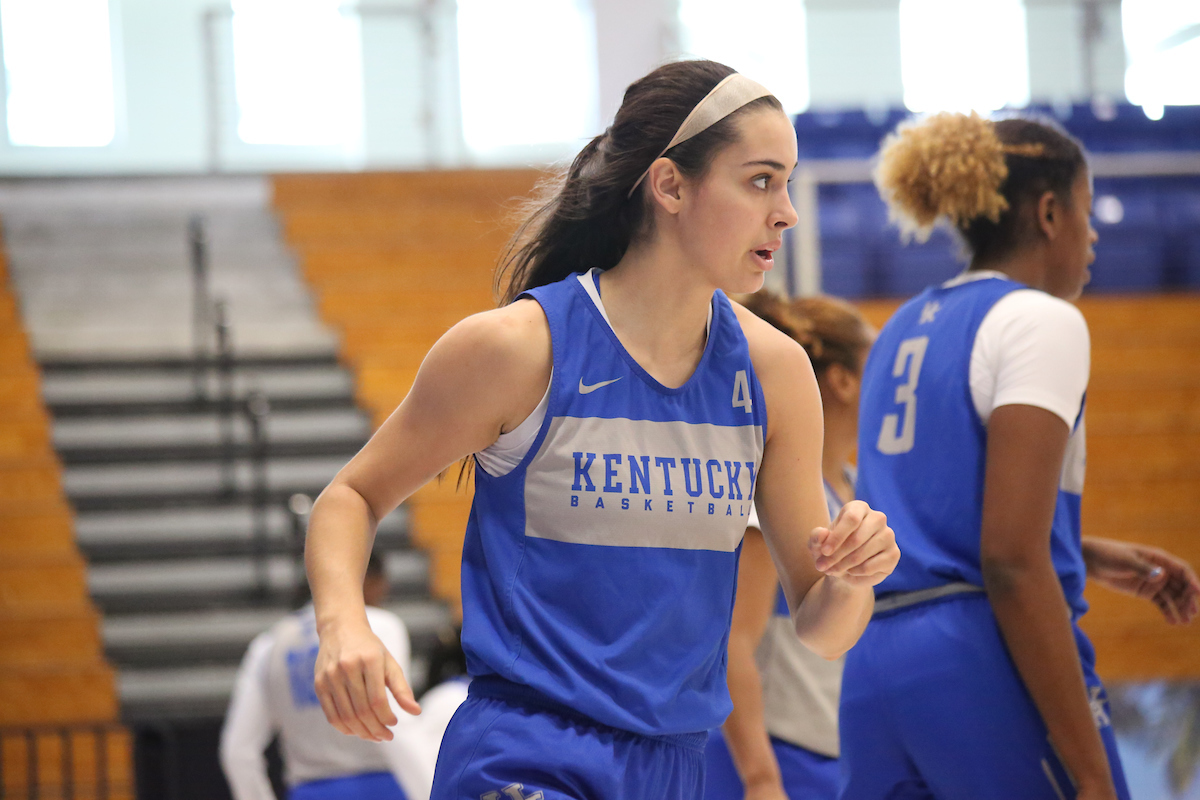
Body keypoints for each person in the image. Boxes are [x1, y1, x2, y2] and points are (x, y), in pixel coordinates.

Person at [303, 59, 900, 800]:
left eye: (787, 183)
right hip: (526, 755)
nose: (787, 211)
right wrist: (343, 625)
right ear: (670, 185)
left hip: (677, 767)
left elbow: (822, 626)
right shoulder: (519, 348)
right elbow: (349, 497)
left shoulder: (775, 373)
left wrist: (851, 577)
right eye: (760, 180)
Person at [841, 111, 1200, 800]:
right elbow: (1009, 559)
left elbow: (931, 518)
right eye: (1086, 213)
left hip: (873, 667)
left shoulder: (898, 330)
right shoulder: (1041, 319)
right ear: (1048, 212)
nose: (1093, 236)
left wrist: (1082, 552)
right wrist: (1092, 771)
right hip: (975, 661)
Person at [705, 292, 874, 800]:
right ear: (843, 380)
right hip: (775, 757)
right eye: (879, 367)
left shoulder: (856, 490)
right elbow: (733, 643)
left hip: (833, 755)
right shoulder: (772, 501)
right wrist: (761, 778)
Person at [220, 553, 434, 800]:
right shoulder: (379, 625)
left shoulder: (269, 644)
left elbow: (238, 751)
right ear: (367, 578)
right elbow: (397, 725)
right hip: (381, 788)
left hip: (308, 790)